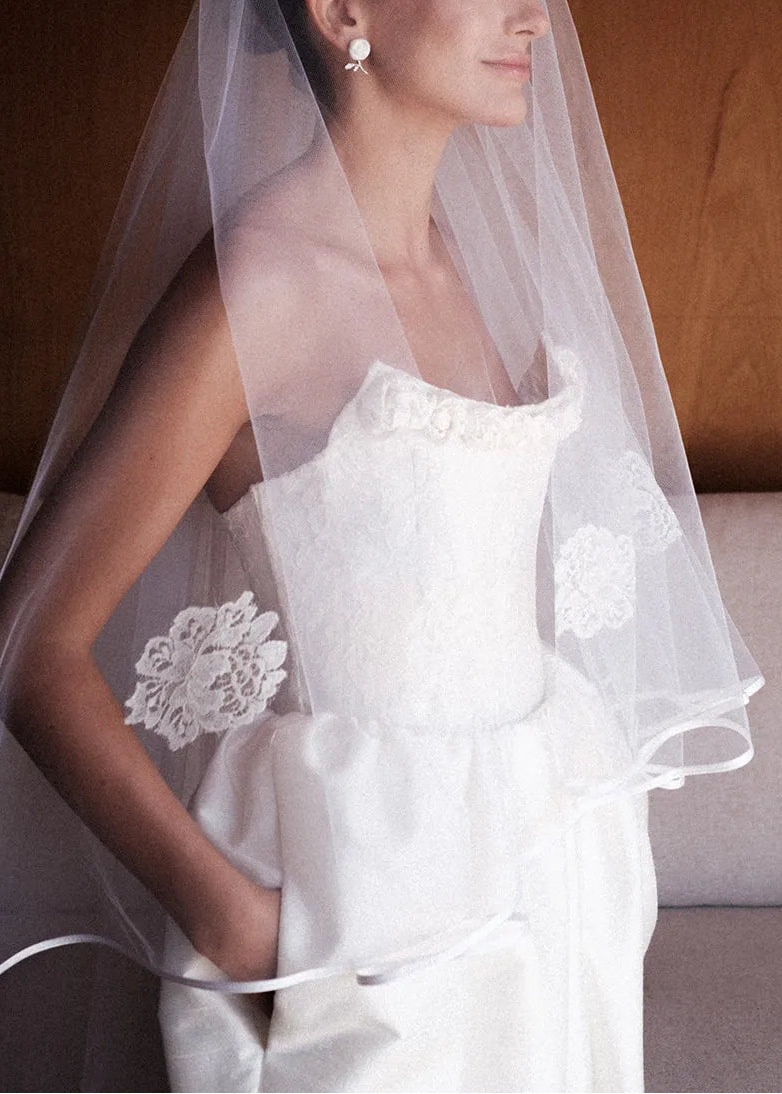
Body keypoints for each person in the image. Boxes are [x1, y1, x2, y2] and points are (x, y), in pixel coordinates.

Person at [0, 1, 764, 1091]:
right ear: (342, 9)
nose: (535, 19)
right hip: (369, 889)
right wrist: (239, 925)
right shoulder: (257, 285)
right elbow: (29, 648)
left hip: (549, 846)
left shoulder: (476, 261)